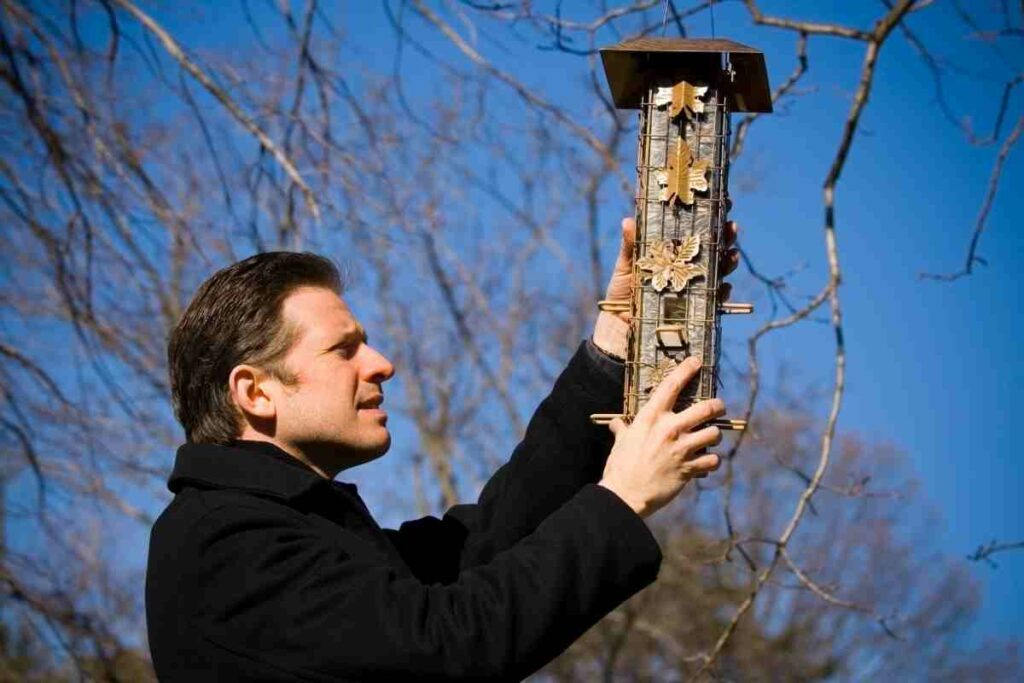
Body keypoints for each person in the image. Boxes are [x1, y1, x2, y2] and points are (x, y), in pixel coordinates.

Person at [146, 218, 739, 681]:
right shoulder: (221, 539)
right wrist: (620, 498)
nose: (382, 364)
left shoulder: (292, 531)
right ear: (255, 392)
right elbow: (443, 650)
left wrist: (614, 342)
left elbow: (485, 546)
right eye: (343, 350)